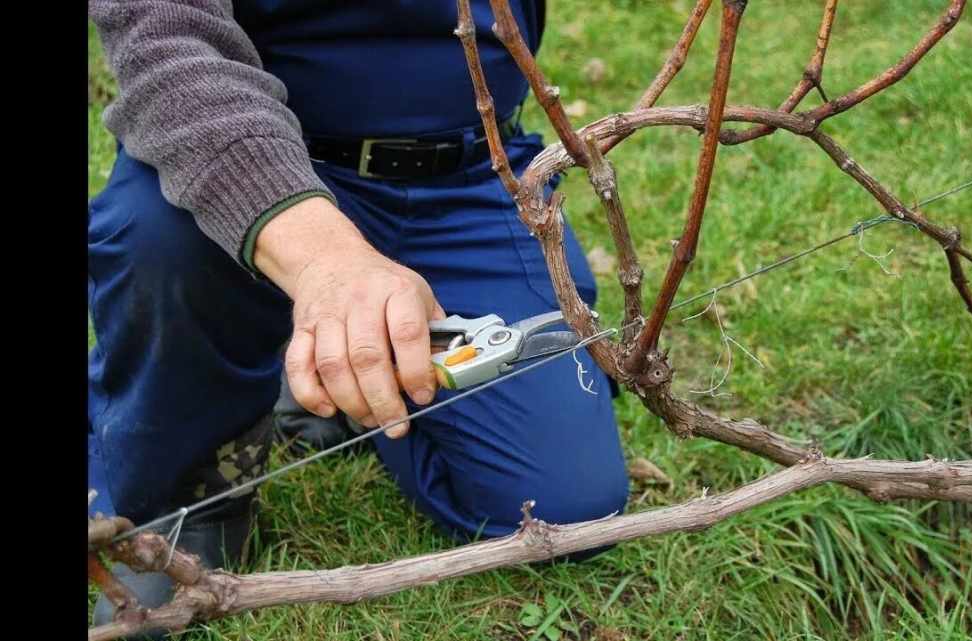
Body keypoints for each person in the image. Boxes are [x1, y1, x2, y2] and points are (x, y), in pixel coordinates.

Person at [88, 1, 629, 632]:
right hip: (240, 159)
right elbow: (167, 47)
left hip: (469, 177)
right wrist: (324, 259)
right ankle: (181, 499)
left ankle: (335, 374)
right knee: (157, 240)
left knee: (569, 510)